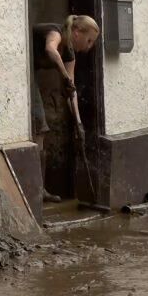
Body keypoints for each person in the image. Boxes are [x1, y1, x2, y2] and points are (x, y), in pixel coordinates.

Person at [32, 15, 100, 202]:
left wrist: (78, 122)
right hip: (19, 68)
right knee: (40, 127)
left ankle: (40, 188)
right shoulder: (55, 32)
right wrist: (64, 77)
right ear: (76, 32)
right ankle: (37, 190)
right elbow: (50, 50)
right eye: (89, 40)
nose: (89, 47)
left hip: (30, 75)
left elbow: (72, 90)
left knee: (40, 132)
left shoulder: (70, 53)